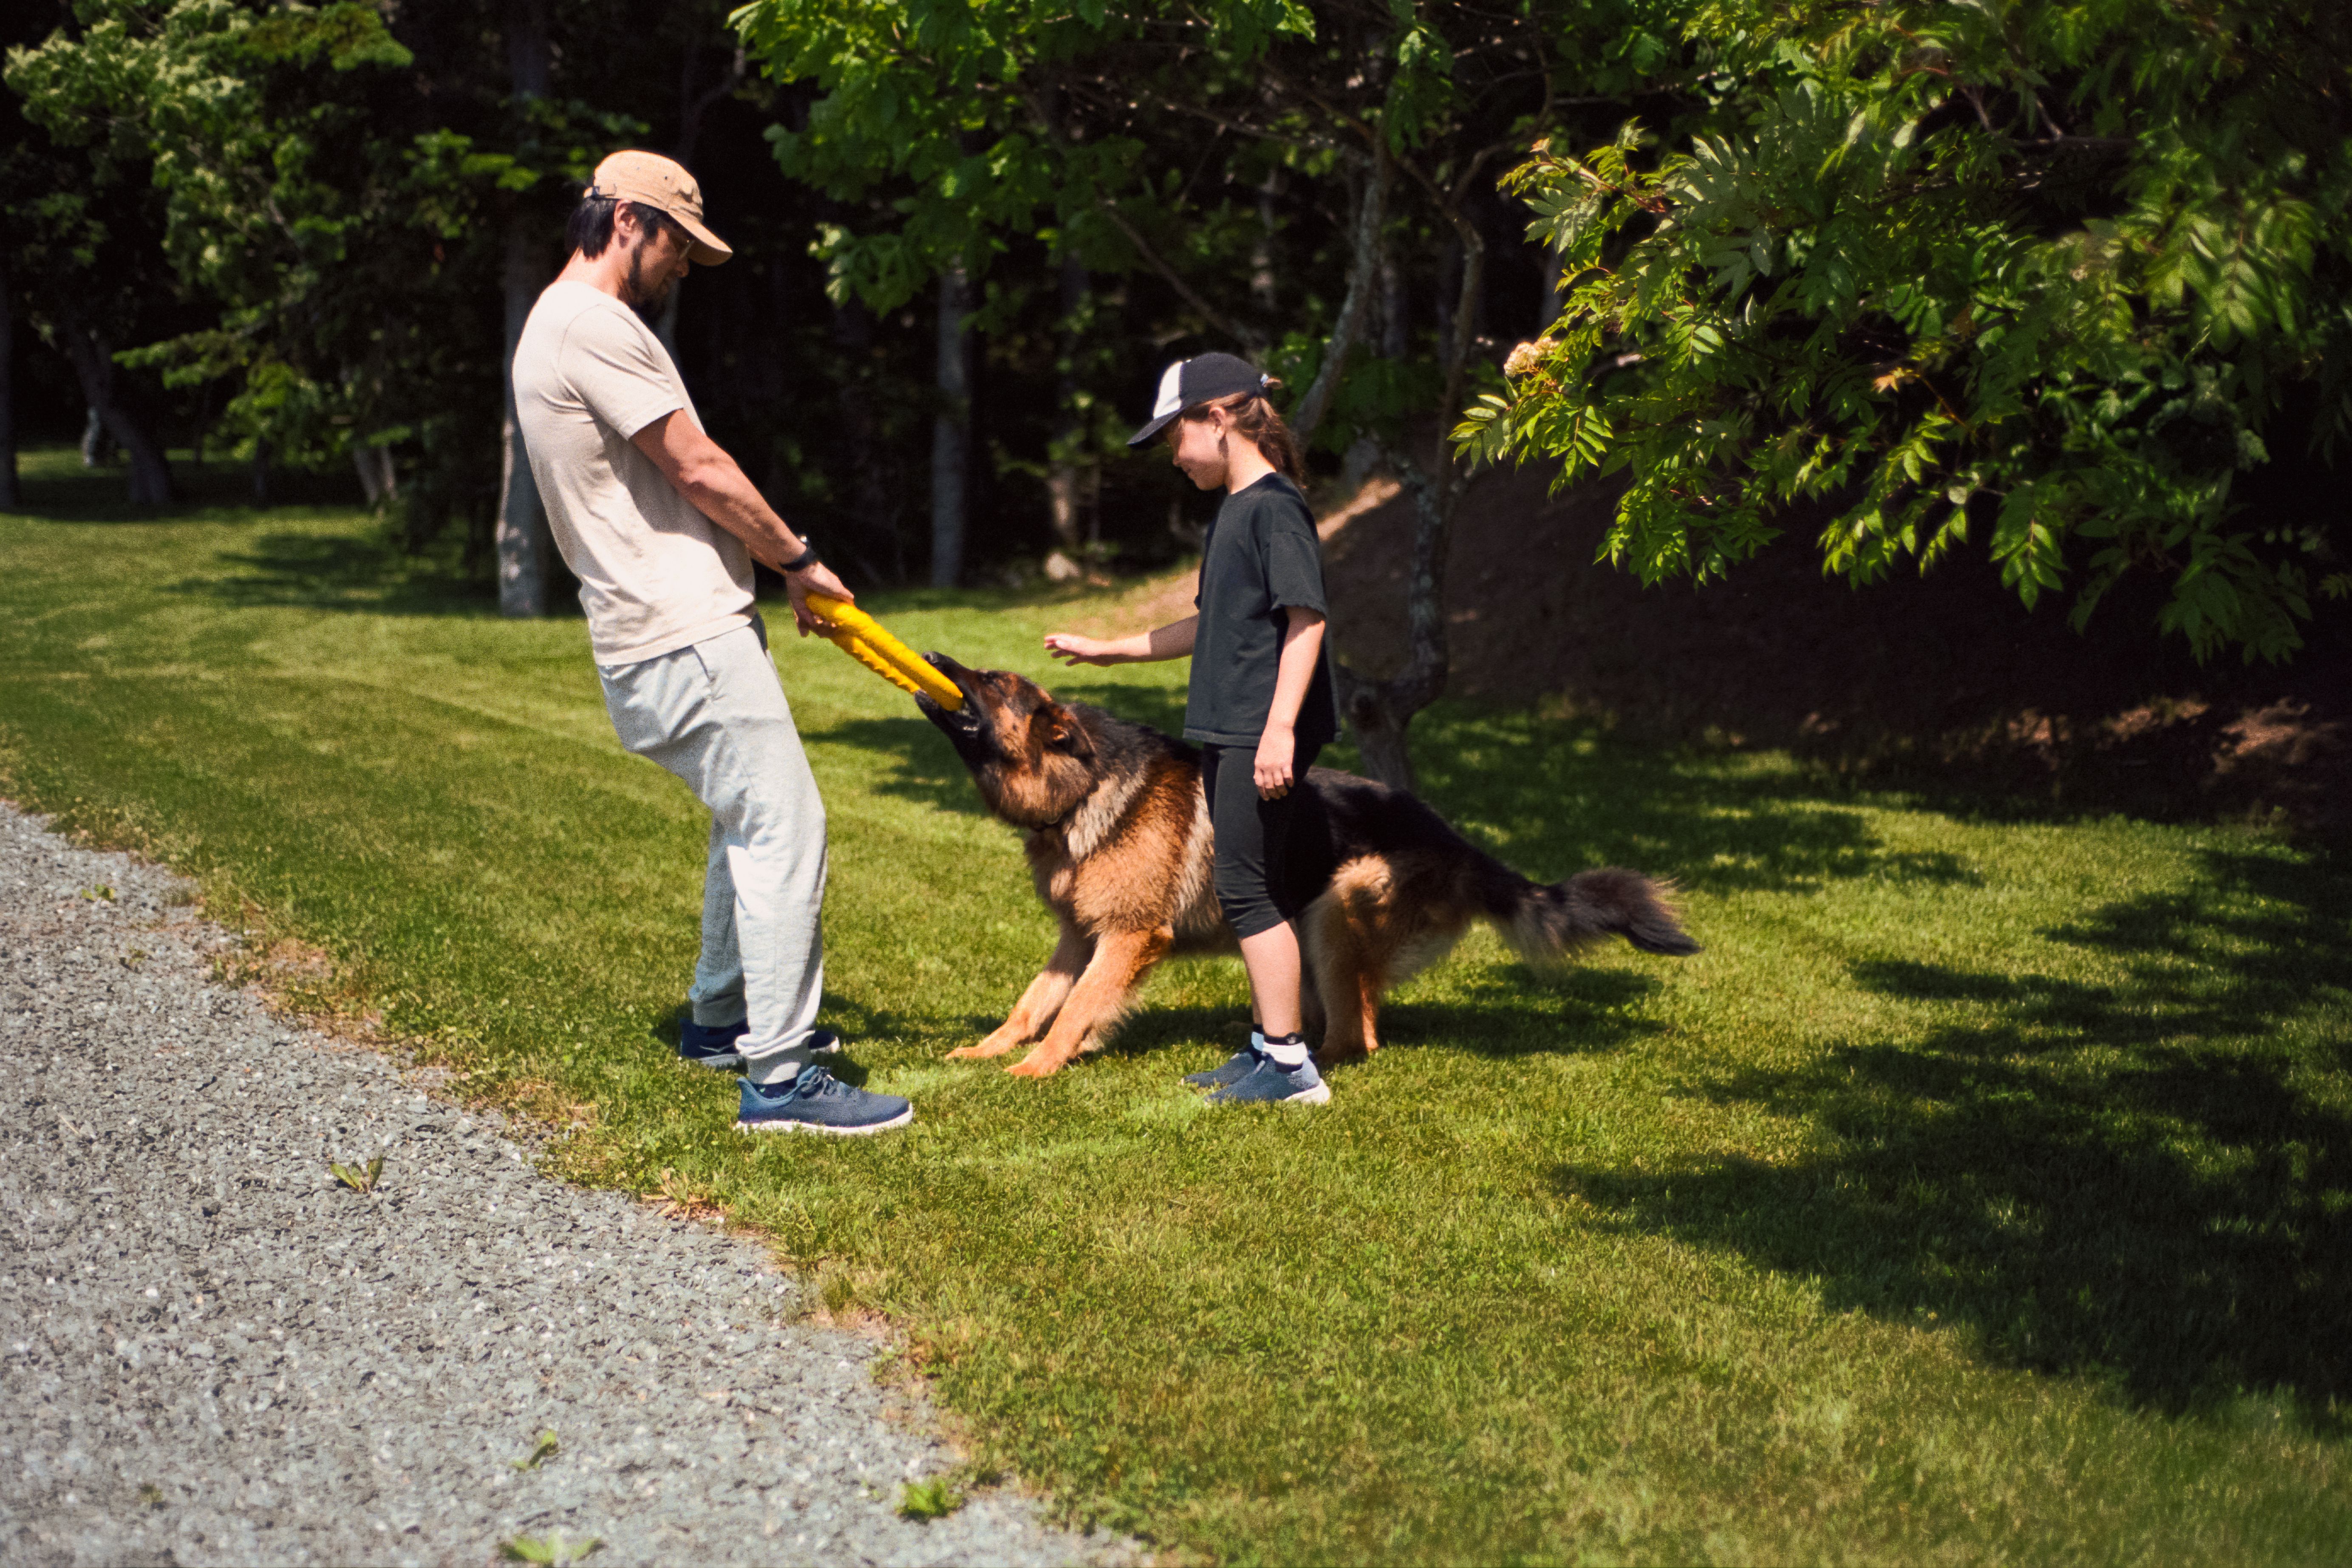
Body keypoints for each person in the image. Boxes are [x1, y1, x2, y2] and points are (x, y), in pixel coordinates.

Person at [510, 149, 911, 1135]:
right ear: (628, 222)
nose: (684, 268)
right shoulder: (593, 324)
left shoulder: (548, 326)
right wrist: (796, 559)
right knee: (787, 829)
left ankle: (721, 1019)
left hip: (652, 631)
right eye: (678, 248)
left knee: (747, 821)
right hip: (681, 628)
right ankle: (777, 1079)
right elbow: (696, 465)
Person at [1042, 352, 1340, 1105]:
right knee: (1254, 885)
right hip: (1231, 726)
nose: (1172, 454)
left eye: (1174, 435)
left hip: (1254, 730)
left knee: (1246, 892)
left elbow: (1307, 622)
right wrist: (1111, 649)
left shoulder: (1275, 506)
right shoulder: (1237, 510)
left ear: (1217, 418)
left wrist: (1278, 732)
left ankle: (1289, 1066)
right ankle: (1268, 1048)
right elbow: (1213, 623)